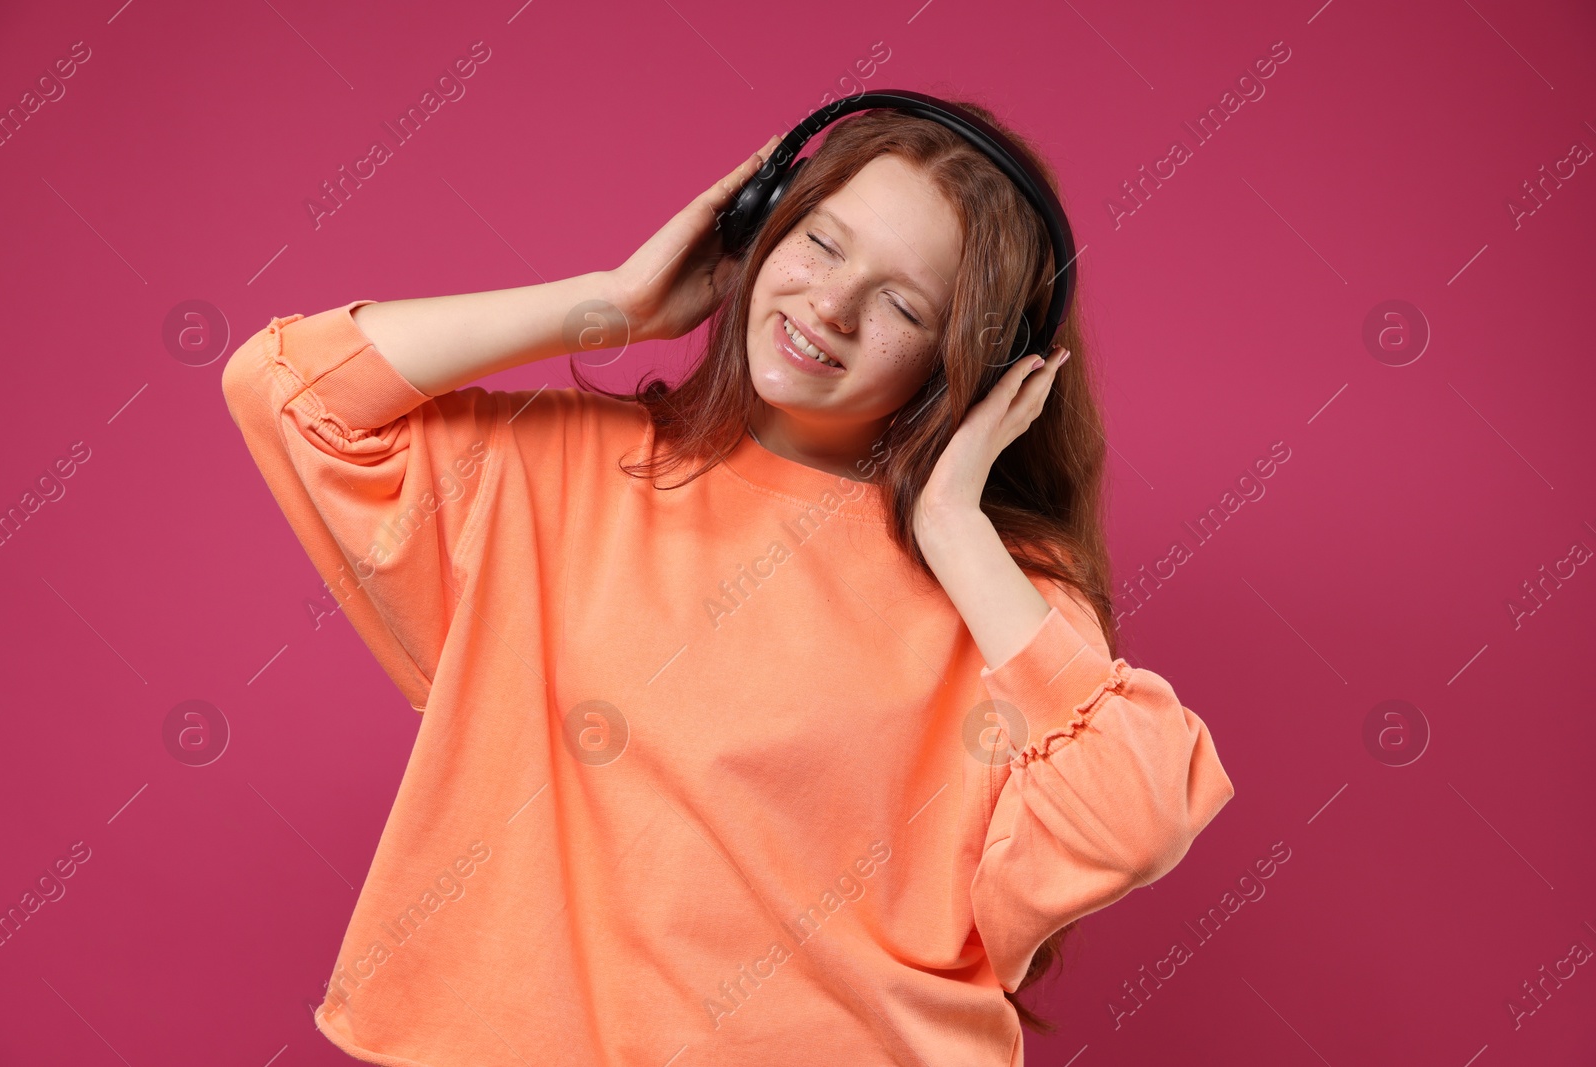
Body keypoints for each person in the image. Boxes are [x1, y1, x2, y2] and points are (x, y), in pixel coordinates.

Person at [221, 99, 1235, 1067]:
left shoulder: (996, 593)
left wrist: (953, 529)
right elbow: (290, 392)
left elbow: (1132, 816)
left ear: (970, 364)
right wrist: (610, 304)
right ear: (757, 227)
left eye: (900, 302)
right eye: (821, 243)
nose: (829, 306)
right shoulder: (563, 472)